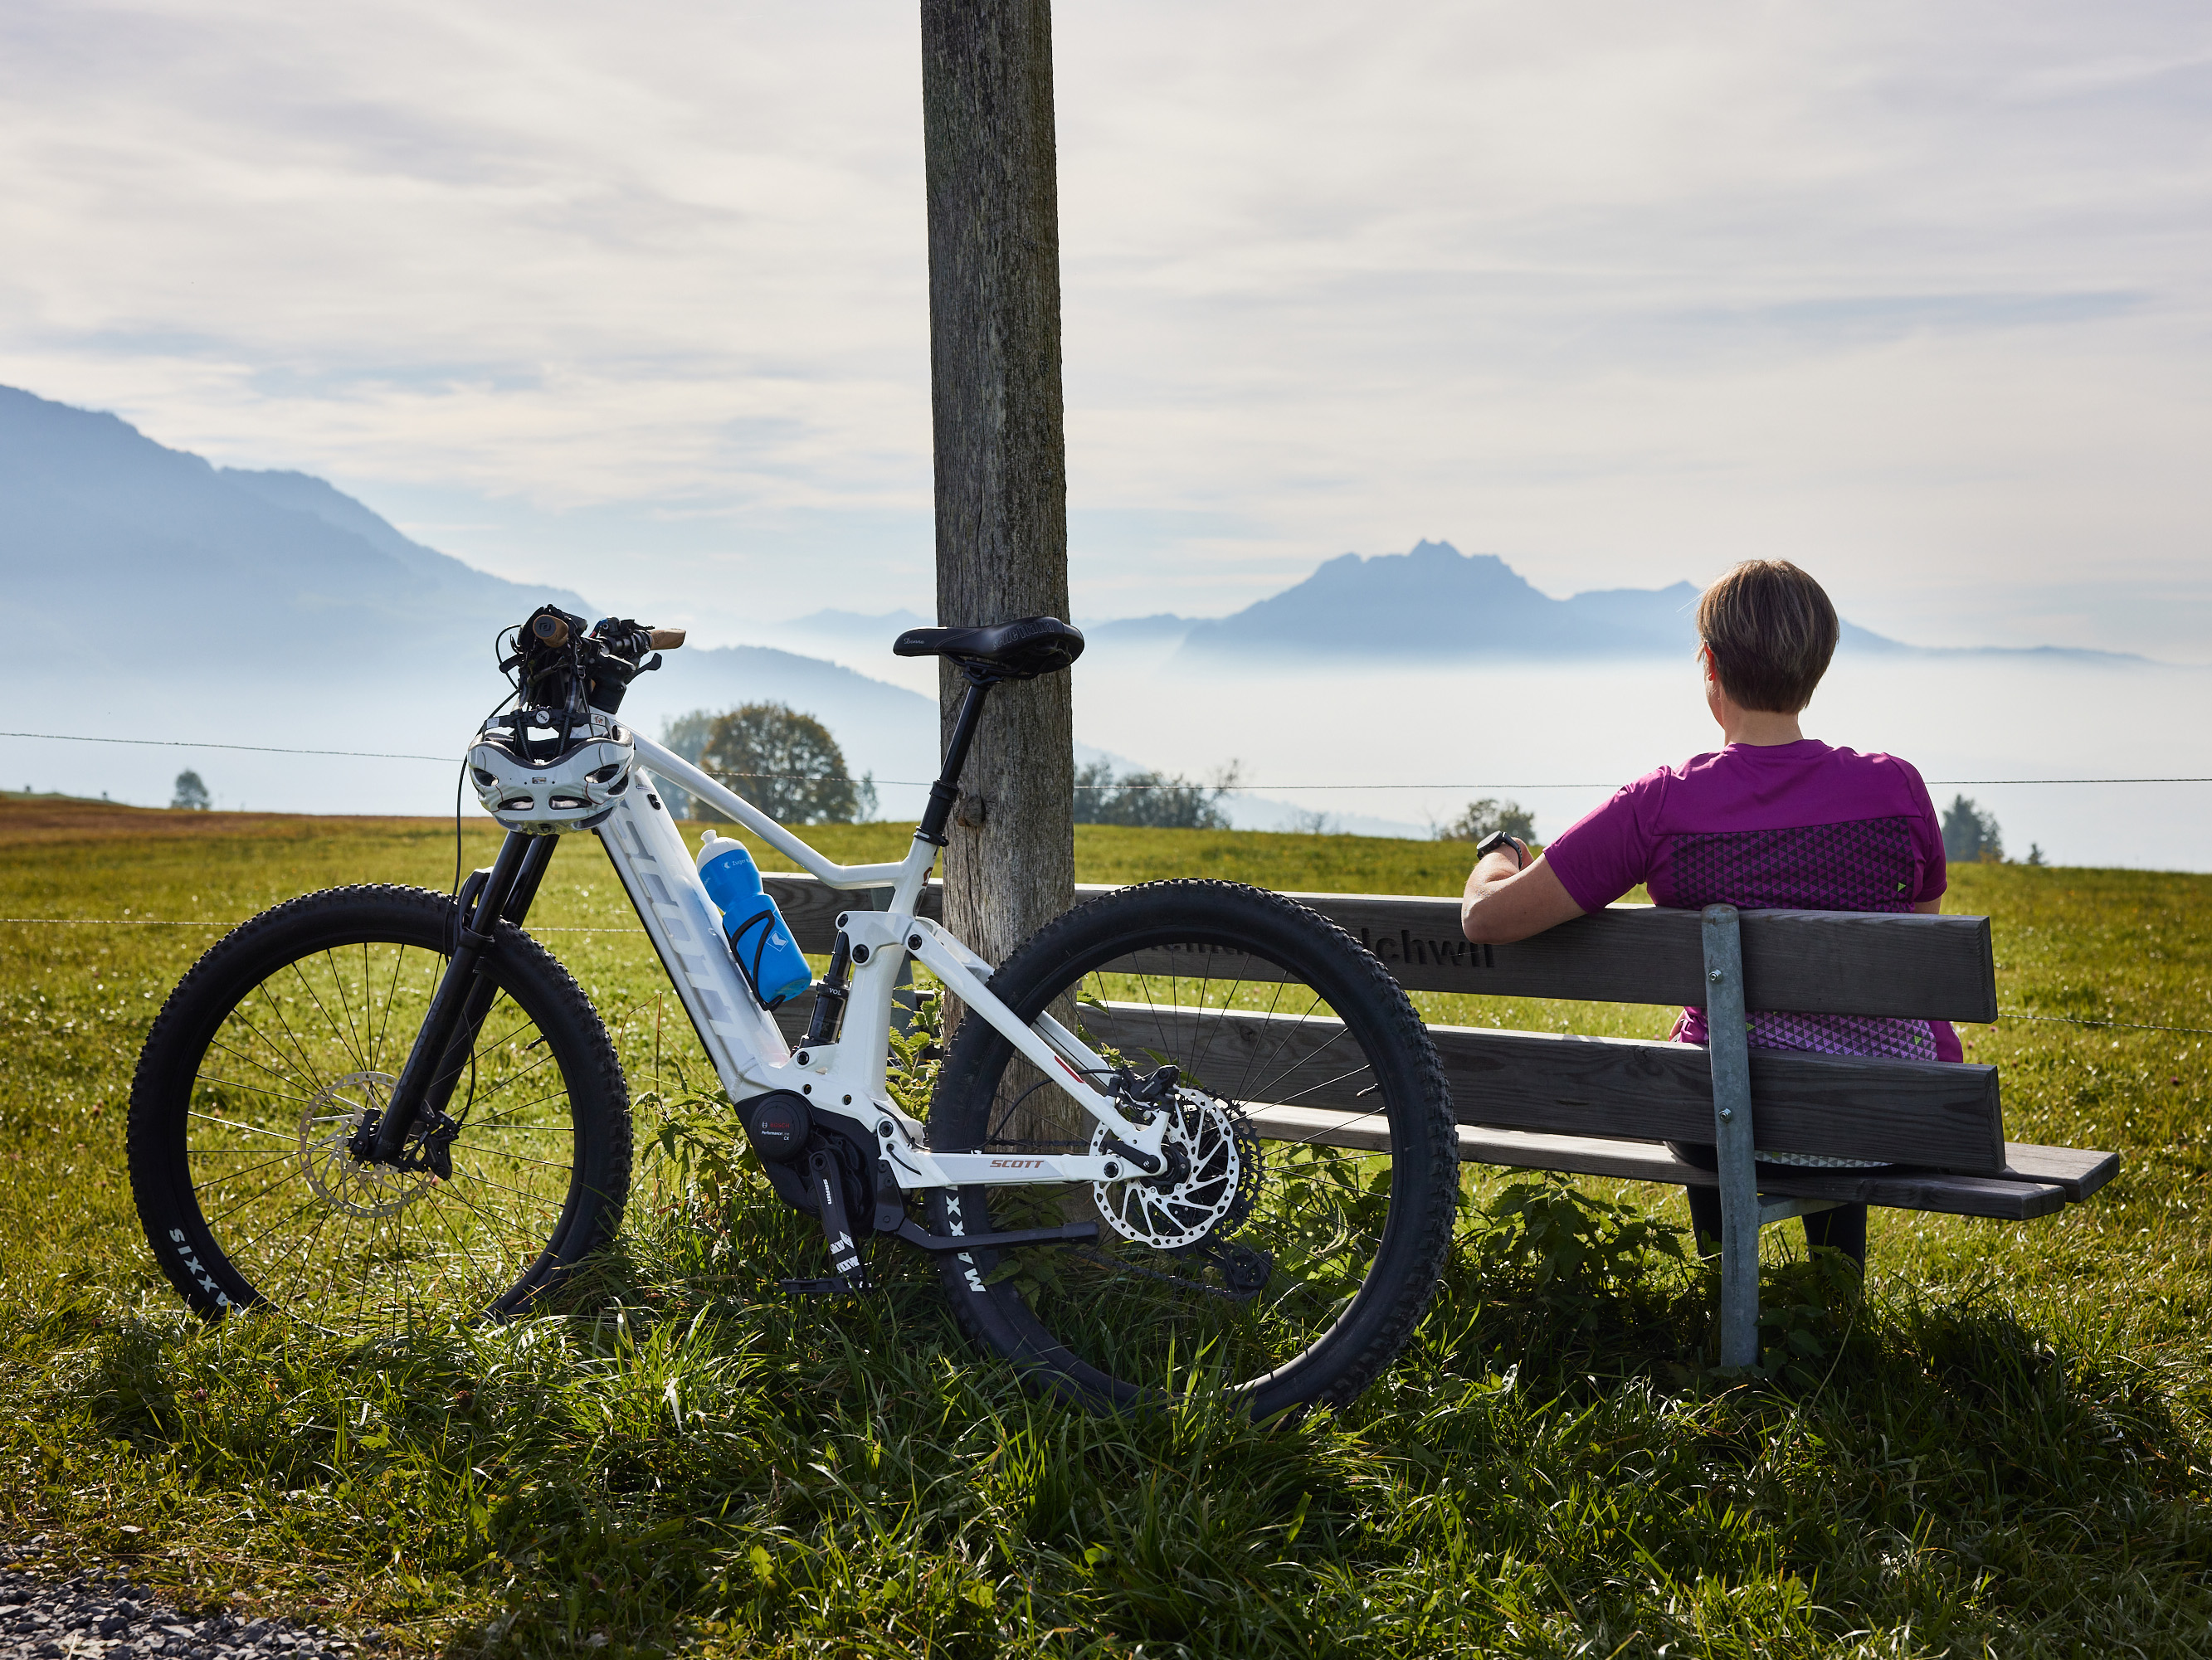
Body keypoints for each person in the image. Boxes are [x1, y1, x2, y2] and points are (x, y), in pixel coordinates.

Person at [1458, 558, 1959, 1267]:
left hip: (1720, 1118)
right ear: (1817, 664)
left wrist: (1499, 855)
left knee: (1713, 1075)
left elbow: (1486, 920)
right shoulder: (1896, 790)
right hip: (1882, 1115)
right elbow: (1914, 949)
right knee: (1837, 1062)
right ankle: (1833, 1298)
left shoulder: (1663, 806)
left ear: (1711, 665)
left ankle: (1718, 1277)